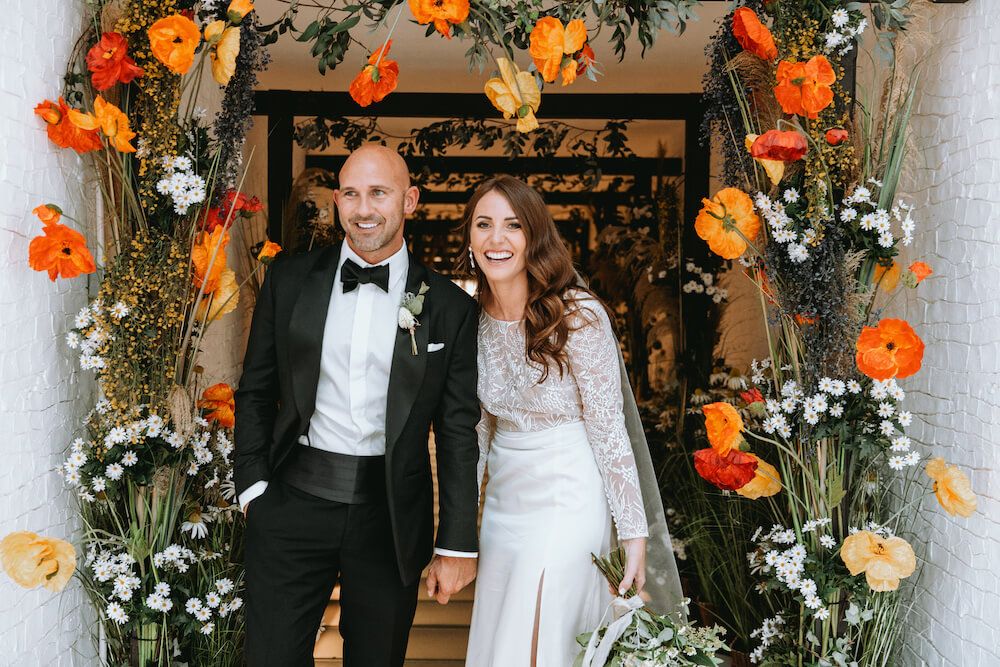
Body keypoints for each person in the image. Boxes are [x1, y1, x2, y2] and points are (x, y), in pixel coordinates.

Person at [234, 145, 480, 667]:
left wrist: (457, 542)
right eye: (350, 193)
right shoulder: (290, 279)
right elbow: (256, 388)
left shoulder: (450, 307)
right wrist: (253, 486)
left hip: (390, 518)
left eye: (378, 193)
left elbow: (458, 430)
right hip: (291, 501)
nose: (363, 208)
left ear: (409, 201)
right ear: (337, 202)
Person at [461, 175, 683, 665]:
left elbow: (609, 428)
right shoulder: (468, 322)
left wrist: (633, 533)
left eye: (512, 226)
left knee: (551, 629)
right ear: (470, 237)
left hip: (570, 493)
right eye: (484, 224)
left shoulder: (577, 315)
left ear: (535, 237)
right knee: (506, 634)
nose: (496, 239)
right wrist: (459, 532)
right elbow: (477, 433)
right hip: (504, 504)